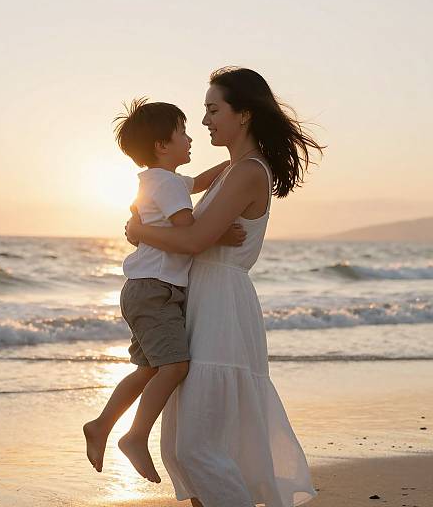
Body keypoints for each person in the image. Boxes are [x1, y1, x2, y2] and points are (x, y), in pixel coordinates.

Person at [125, 68, 324, 507]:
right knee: (191, 446)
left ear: (244, 114)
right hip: (202, 303)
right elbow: (186, 207)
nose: (205, 121)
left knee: (197, 448)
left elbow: (193, 240)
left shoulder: (248, 173)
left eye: (214, 110)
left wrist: (138, 230)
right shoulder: (233, 170)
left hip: (221, 310)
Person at [83, 98, 246, 484]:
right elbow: (189, 230)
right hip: (156, 291)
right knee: (175, 366)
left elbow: (202, 183)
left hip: (144, 290)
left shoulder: (158, 180)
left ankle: (101, 425)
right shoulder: (168, 184)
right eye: (183, 133)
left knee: (148, 368)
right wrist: (222, 232)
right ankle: (135, 436)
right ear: (162, 145)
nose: (191, 139)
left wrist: (235, 163)